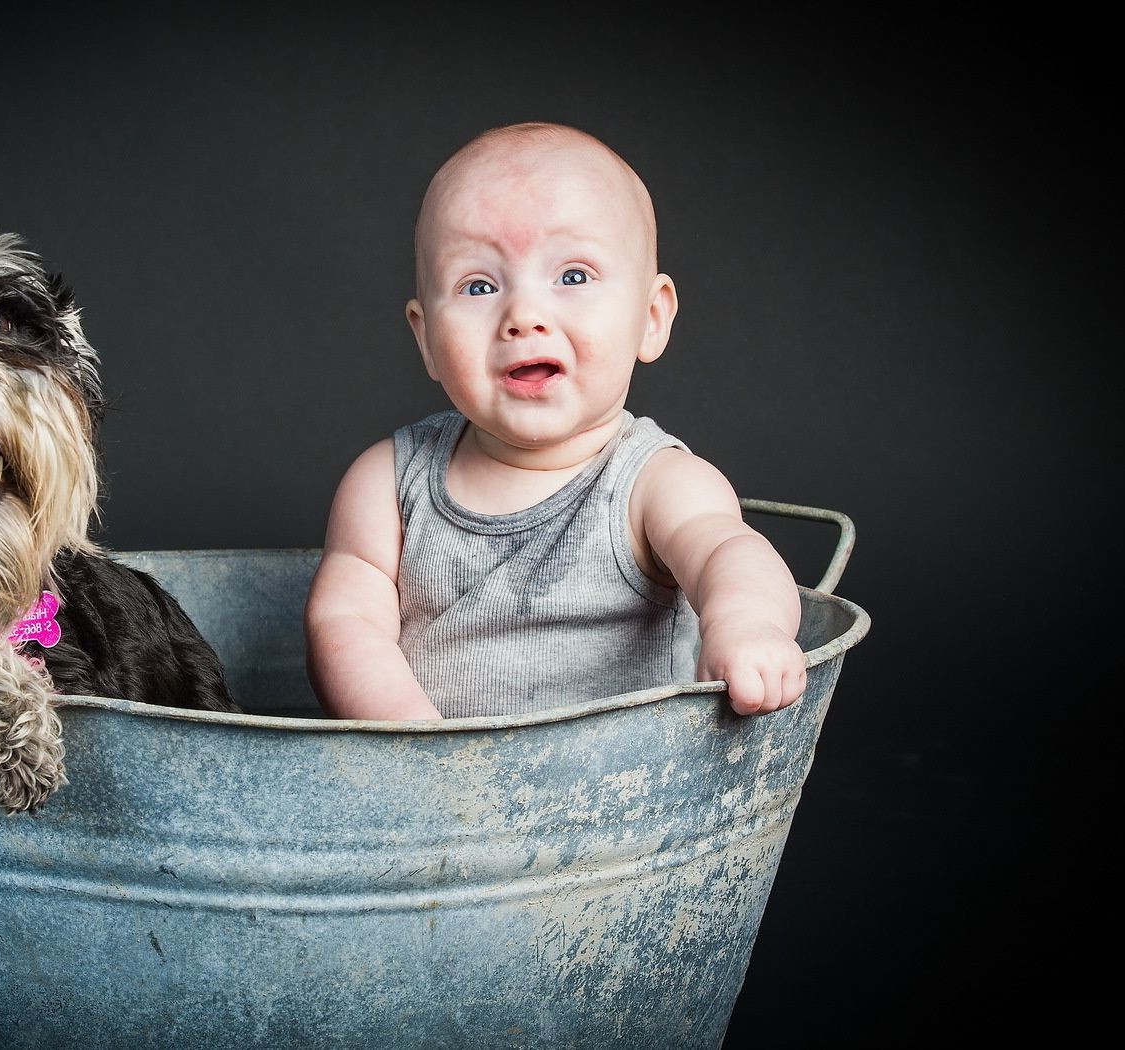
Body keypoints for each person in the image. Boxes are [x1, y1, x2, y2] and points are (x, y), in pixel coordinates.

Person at [303, 122, 805, 721]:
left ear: (650, 317)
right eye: (479, 285)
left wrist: (745, 625)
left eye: (572, 276)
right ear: (427, 338)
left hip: (626, 797)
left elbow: (728, 550)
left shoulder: (655, 482)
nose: (523, 316)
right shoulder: (386, 481)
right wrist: (418, 744)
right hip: (430, 798)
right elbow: (344, 624)